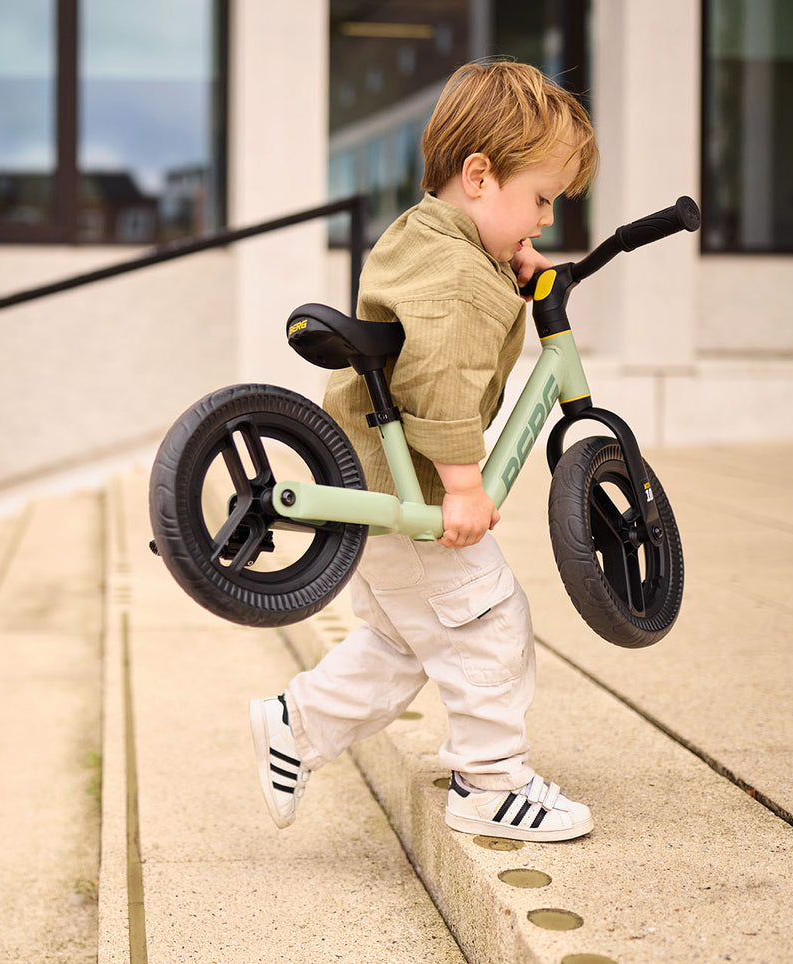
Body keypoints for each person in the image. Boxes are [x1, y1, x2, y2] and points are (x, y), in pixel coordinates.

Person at [250, 60, 599, 842]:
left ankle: (295, 722)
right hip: (412, 488)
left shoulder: (430, 237)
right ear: (479, 175)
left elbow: (448, 312)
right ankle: (491, 781)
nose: (542, 220)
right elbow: (442, 379)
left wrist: (507, 271)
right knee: (487, 622)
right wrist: (465, 487)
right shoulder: (458, 277)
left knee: (402, 644)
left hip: (370, 471)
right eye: (539, 199)